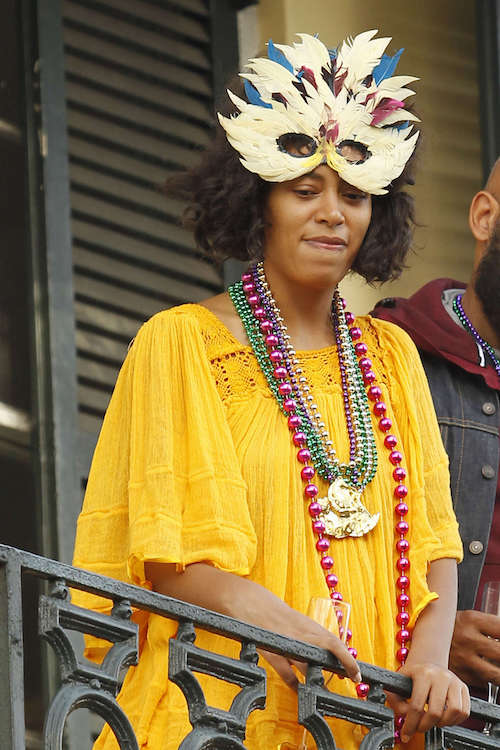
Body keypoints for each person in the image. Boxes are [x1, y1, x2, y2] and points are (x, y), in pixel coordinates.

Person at [72, 31, 469, 750]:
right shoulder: (183, 340)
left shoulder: (393, 356)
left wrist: (430, 664)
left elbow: (437, 545)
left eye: (353, 194)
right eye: (304, 190)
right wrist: (278, 623)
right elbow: (167, 556)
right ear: (257, 203)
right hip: (215, 713)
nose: (332, 213)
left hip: (363, 721)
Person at [373, 158, 500, 691]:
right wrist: (425, 635)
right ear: (484, 218)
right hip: (406, 724)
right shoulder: (388, 356)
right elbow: (321, 546)